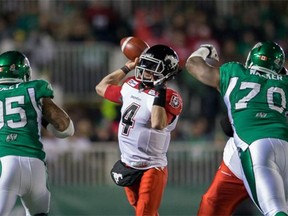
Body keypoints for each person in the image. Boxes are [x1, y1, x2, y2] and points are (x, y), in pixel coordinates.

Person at [186, 41, 288, 216]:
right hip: (276, 144)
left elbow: (193, 65)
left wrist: (205, 49)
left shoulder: (234, 72)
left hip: (254, 146)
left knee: (274, 210)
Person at [96, 44, 183, 216]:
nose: (144, 69)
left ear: (165, 72)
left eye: (152, 67)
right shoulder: (131, 85)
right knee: (142, 210)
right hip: (128, 163)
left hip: (151, 166)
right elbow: (101, 87)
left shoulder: (171, 97)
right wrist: (127, 66)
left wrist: (160, 90)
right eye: (145, 63)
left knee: (145, 213)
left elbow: (158, 123)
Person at [0, 51, 75, 215]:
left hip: (5, 162)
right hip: (36, 167)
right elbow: (66, 129)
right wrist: (40, 117)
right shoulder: (34, 88)